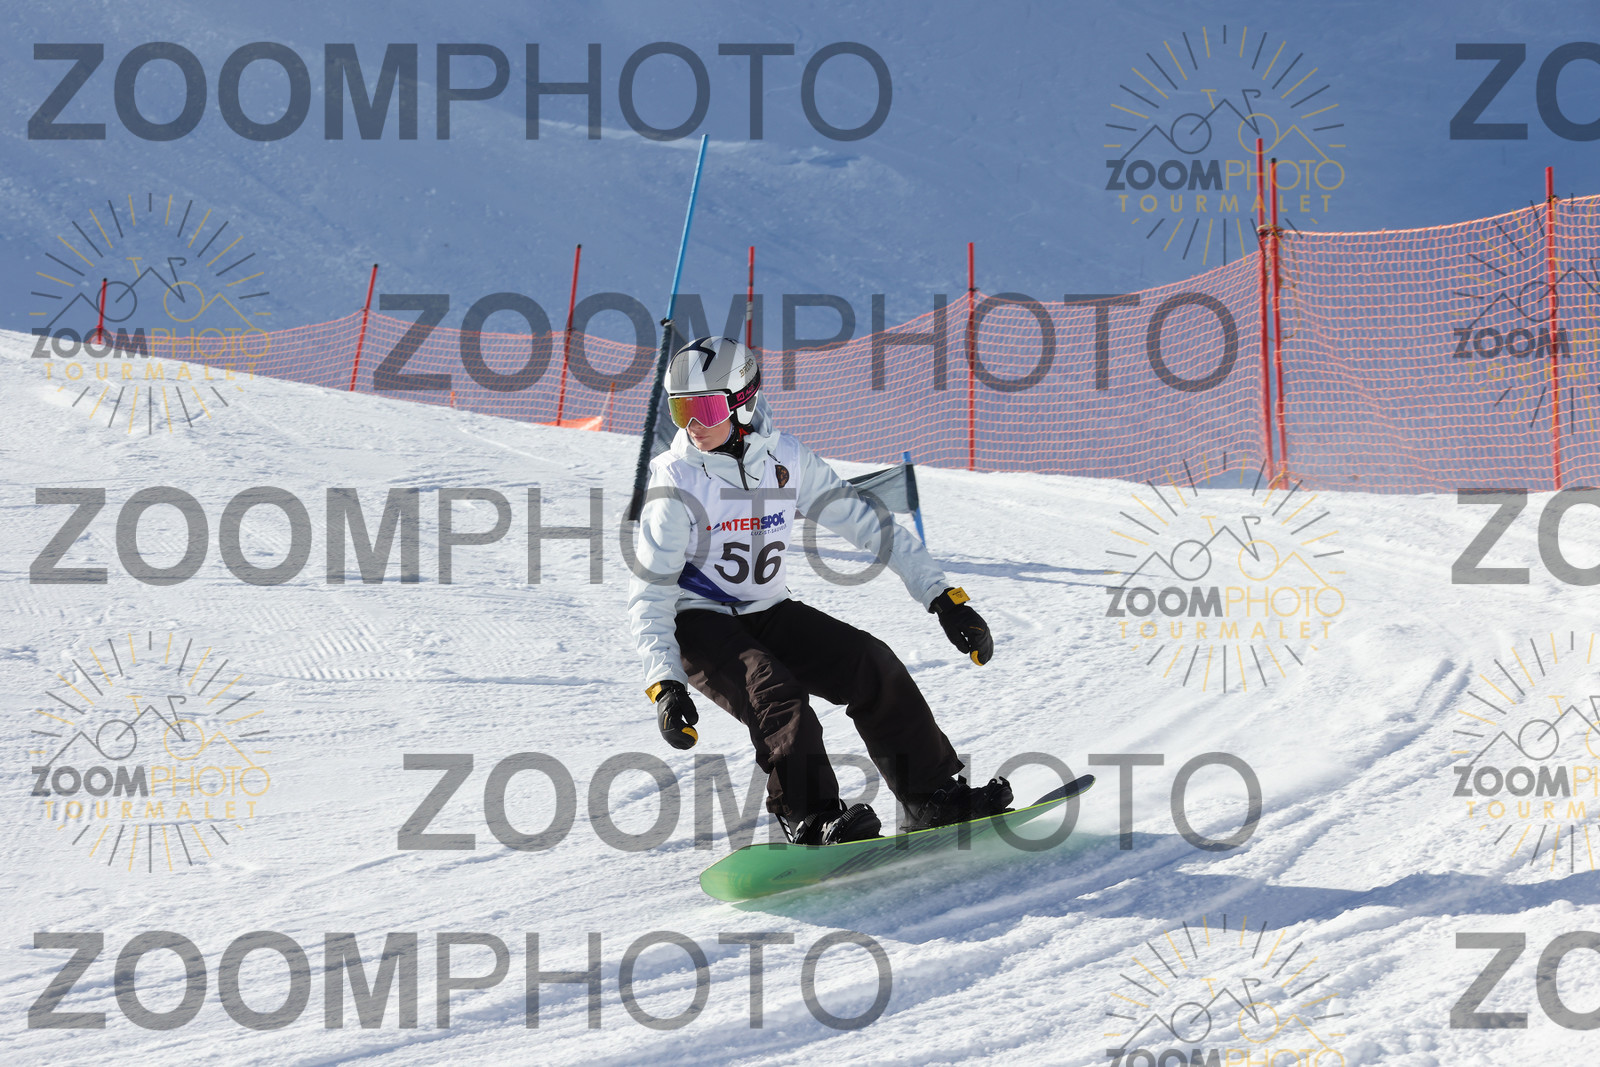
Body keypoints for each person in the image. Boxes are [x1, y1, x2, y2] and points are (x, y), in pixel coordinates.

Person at [626, 335, 1013, 847]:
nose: (693, 425)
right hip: (697, 621)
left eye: (706, 408)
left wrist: (943, 598)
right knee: (773, 692)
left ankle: (932, 796)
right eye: (681, 410)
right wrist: (664, 683)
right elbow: (650, 589)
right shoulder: (675, 480)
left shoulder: (786, 459)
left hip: (769, 609)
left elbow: (869, 524)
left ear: (743, 401)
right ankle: (810, 816)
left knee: (870, 662)